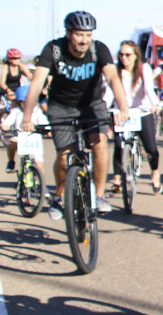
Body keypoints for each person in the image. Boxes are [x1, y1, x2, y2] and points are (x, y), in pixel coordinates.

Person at [21, 11, 131, 218]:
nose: (84, 40)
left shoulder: (99, 50)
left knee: (99, 144)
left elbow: (113, 79)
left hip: (91, 105)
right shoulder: (53, 49)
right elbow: (36, 83)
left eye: (88, 35)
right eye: (80, 35)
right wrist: (27, 117)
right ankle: (60, 197)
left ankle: (99, 195)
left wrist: (123, 109)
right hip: (61, 106)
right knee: (64, 157)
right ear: (69, 33)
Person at [111, 41, 163, 195]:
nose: (123, 58)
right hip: (121, 112)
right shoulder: (116, 70)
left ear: (135, 55)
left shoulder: (143, 68)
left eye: (127, 55)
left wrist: (156, 104)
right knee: (119, 145)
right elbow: (109, 91)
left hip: (141, 111)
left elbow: (148, 88)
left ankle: (155, 173)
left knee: (151, 148)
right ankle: (117, 179)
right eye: (121, 54)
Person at [1, 84, 48, 182]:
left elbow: (45, 123)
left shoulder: (37, 112)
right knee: (11, 142)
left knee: (39, 164)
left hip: (34, 141)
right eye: (24, 102)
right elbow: (7, 122)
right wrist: (5, 126)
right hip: (20, 138)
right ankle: (11, 161)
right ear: (19, 102)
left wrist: (47, 129)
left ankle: (43, 188)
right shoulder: (16, 112)